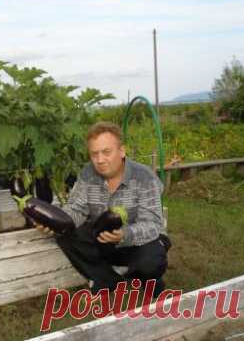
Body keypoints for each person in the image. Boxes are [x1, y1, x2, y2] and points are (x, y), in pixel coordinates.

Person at [44, 124, 169, 294]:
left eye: (106, 152)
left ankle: (147, 280)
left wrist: (125, 234)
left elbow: (153, 223)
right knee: (65, 234)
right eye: (94, 154)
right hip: (102, 238)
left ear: (122, 151)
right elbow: (76, 209)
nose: (100, 159)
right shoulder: (88, 174)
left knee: (150, 263)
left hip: (138, 242)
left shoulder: (144, 177)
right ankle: (108, 280)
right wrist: (54, 221)